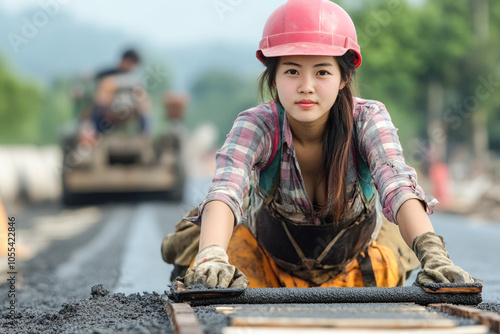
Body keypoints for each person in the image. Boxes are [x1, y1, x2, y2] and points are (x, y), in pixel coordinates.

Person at [162, 0, 480, 289]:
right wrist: (213, 257)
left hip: (356, 267)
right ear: (273, 78)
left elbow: (397, 184)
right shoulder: (256, 124)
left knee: (388, 261)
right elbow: (226, 190)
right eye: (291, 71)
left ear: (344, 77)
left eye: (322, 71)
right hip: (266, 266)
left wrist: (434, 255)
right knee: (210, 271)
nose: (306, 87)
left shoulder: (368, 120)